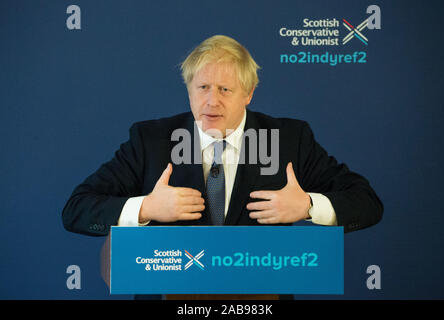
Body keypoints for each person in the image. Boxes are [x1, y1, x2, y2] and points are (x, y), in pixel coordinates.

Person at [62, 34, 382, 236]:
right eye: (202, 88)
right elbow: (77, 209)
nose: (211, 101)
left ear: (249, 93)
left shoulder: (288, 140)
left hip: (260, 295)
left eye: (225, 89)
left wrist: (309, 205)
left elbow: (366, 202)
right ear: (188, 90)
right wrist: (145, 209)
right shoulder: (149, 141)